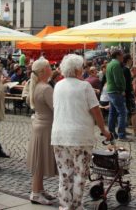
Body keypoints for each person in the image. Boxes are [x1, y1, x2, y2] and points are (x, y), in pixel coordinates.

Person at [51, 54, 111, 210]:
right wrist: (104, 129)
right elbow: (96, 111)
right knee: (79, 175)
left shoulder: (58, 85)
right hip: (80, 137)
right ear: (78, 69)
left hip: (59, 135)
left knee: (65, 175)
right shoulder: (84, 86)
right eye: (82, 67)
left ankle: (65, 206)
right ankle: (77, 206)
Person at [26, 59, 57, 205]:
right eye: (49, 67)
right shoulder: (45, 88)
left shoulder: (37, 85)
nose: (52, 69)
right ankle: (36, 193)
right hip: (45, 127)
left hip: (40, 125)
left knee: (39, 159)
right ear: (43, 71)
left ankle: (39, 189)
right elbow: (55, 108)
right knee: (40, 161)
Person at [106, 50, 130, 141]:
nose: (123, 57)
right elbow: (118, 79)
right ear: (118, 55)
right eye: (122, 55)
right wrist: (121, 89)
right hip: (116, 91)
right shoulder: (116, 65)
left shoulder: (110, 64)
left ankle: (112, 133)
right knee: (122, 113)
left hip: (111, 91)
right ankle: (121, 135)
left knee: (112, 113)